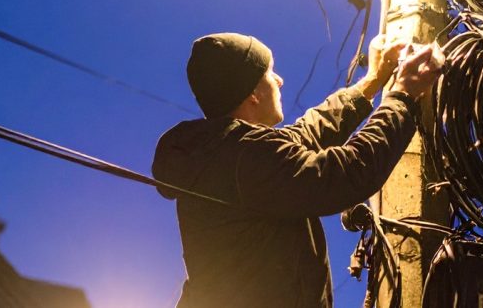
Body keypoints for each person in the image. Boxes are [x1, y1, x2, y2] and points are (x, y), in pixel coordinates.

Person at [153, 32, 444, 308]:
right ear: (253, 93)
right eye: (269, 73)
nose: (279, 81)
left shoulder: (227, 154)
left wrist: (373, 81)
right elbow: (348, 172)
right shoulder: (246, 157)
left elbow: (309, 131)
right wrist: (402, 96)